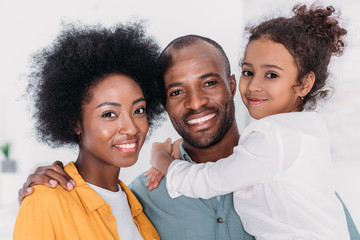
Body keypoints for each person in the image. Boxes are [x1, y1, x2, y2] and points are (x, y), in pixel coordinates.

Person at [18, 25, 360, 240]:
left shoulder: (294, 178)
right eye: (177, 91)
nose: (196, 102)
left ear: (231, 86)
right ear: (164, 104)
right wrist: (45, 193)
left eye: (209, 83)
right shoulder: (144, 198)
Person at [150, 3, 350, 240]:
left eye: (272, 75)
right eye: (248, 72)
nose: (254, 85)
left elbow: (209, 180)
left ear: (304, 84)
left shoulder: (272, 137)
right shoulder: (305, 133)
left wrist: (161, 160)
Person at [13, 22, 163, 240]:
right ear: (76, 122)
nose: (131, 128)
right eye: (109, 114)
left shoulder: (139, 209)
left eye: (138, 110)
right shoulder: (46, 202)